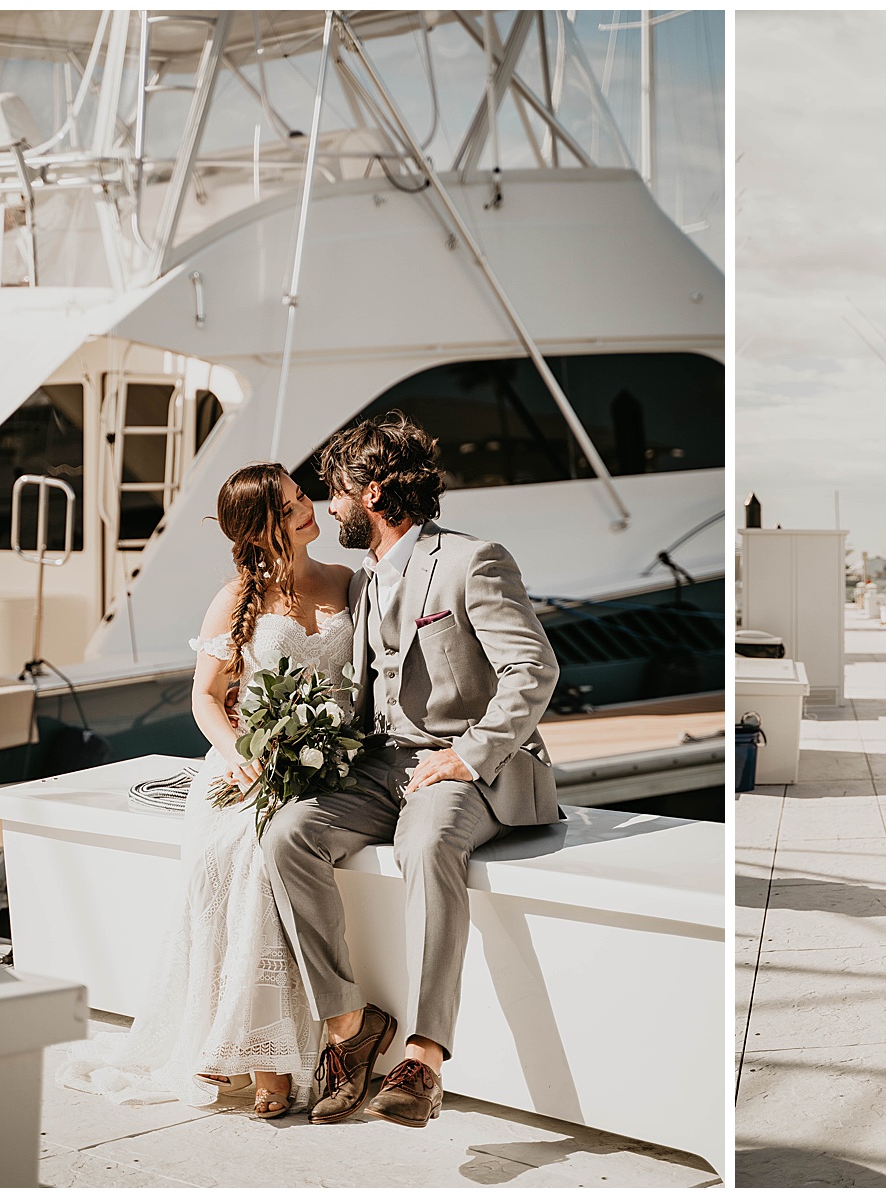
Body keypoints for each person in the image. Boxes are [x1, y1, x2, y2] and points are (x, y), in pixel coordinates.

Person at [260, 412, 560, 1128]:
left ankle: (423, 1058)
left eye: (334, 492)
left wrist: (471, 753)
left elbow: (533, 668)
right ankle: (350, 1022)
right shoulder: (366, 580)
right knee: (286, 836)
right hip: (379, 766)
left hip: (465, 768)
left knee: (425, 844)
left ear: (371, 494)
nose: (328, 507)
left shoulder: (472, 559)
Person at [60, 463, 352, 1118]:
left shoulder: (345, 581)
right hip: (241, 764)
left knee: (270, 856)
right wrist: (242, 756)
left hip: (325, 764)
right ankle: (260, 1056)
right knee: (236, 858)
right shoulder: (236, 595)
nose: (306, 509)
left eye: (302, 496)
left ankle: (265, 1052)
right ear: (260, 528)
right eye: (287, 506)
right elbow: (205, 699)